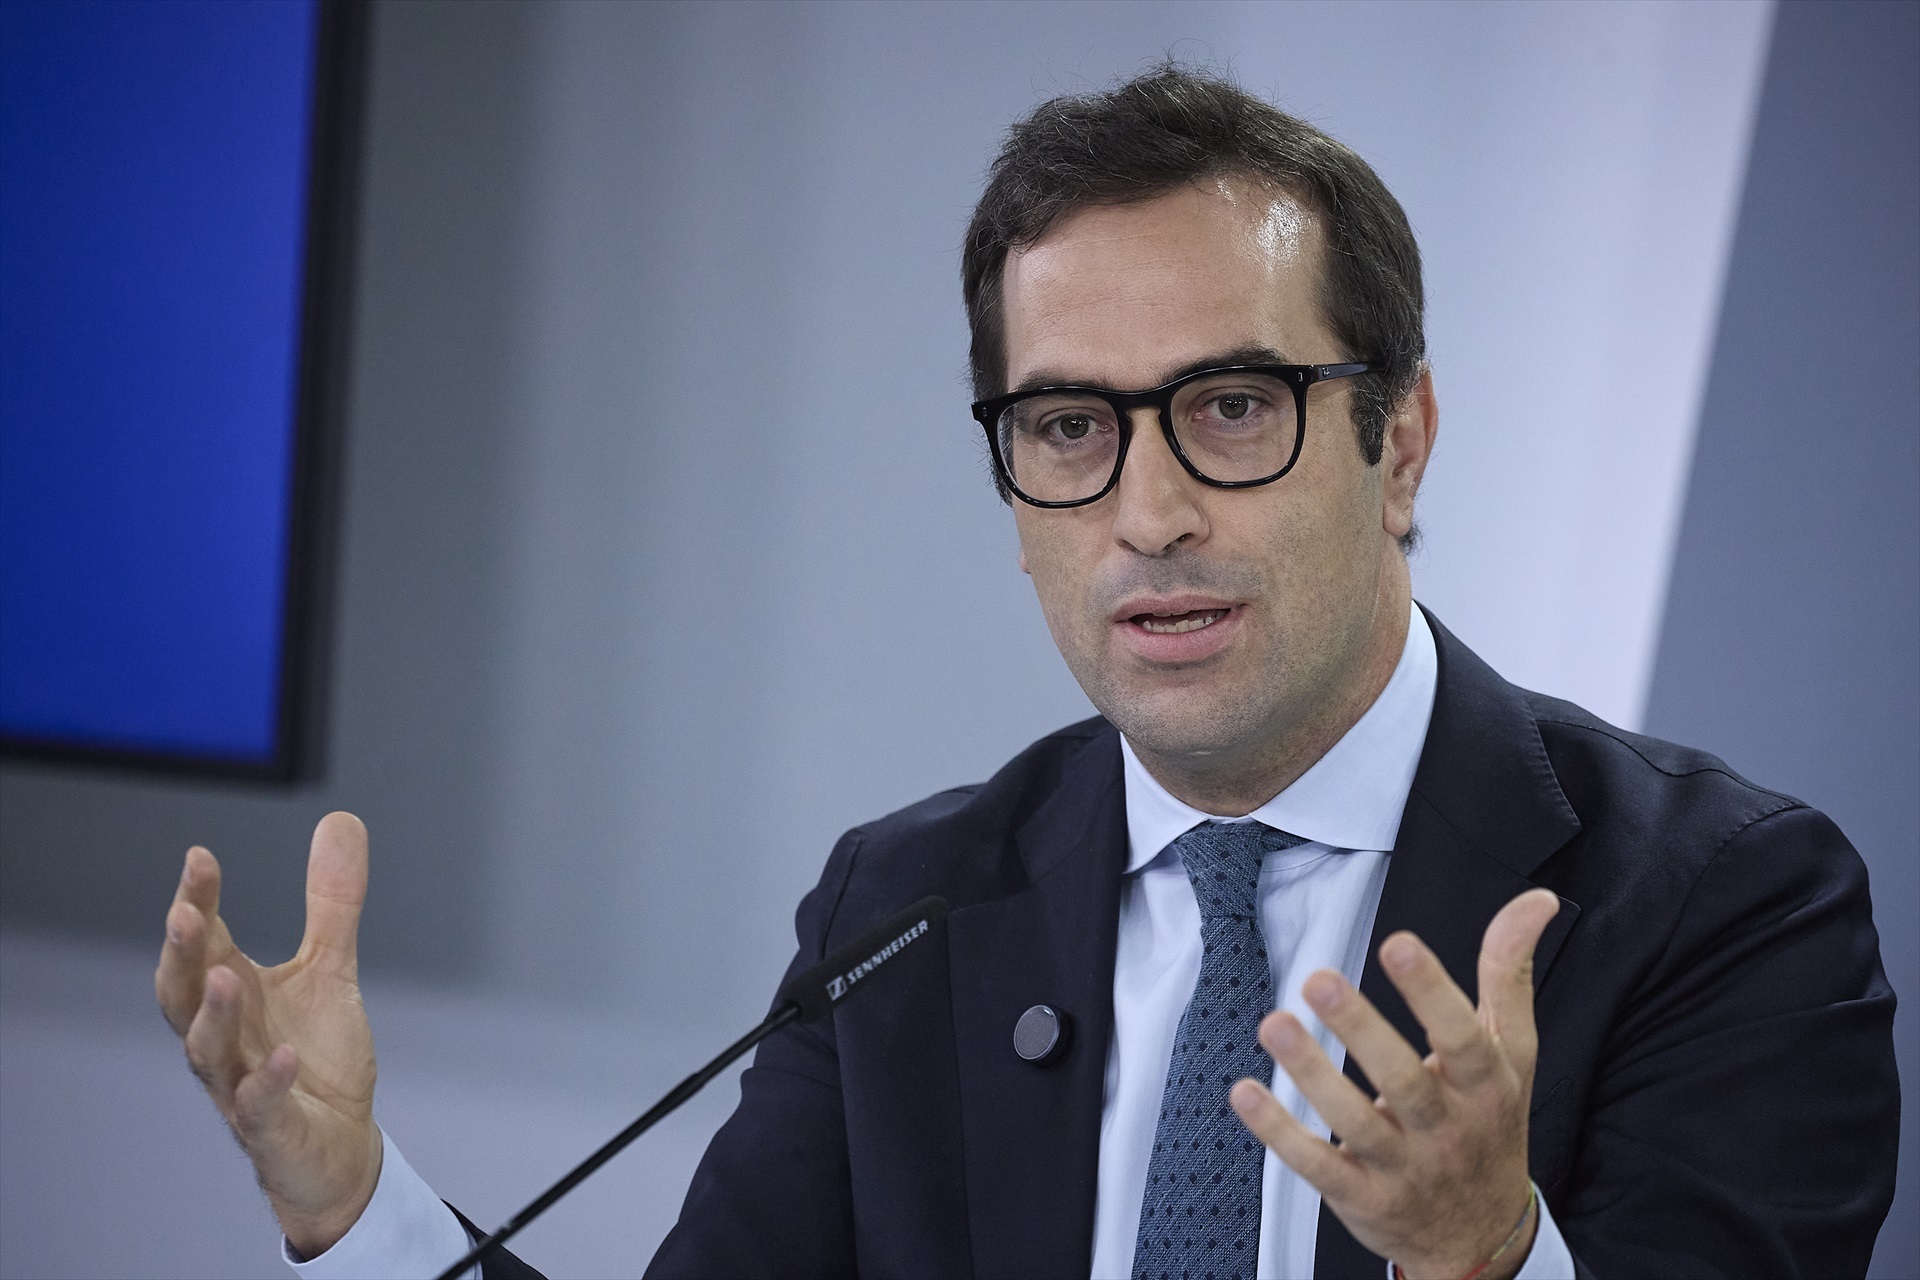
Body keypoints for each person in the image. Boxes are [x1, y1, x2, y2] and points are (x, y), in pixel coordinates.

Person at [154, 66, 1899, 1280]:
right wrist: (350, 1203)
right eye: (1068, 426)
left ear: (1403, 443)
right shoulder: (905, 909)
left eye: (1232, 408)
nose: (1146, 511)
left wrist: (1487, 1257)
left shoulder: (1725, 903)